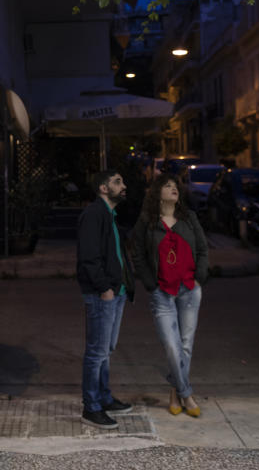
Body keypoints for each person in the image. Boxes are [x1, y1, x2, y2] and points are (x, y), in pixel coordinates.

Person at [130, 173, 209, 418]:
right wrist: (150, 283)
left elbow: (203, 249)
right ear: (157, 193)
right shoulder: (146, 221)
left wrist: (200, 276)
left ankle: (176, 392)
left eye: (175, 186)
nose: (173, 189)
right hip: (161, 291)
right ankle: (186, 393)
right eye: (167, 186)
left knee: (186, 344)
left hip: (189, 288)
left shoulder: (189, 218)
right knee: (172, 347)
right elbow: (137, 253)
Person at [76, 170, 135, 429]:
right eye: (117, 182)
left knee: (106, 351)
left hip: (116, 292)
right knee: (96, 352)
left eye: (123, 181)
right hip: (103, 294)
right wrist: (104, 288)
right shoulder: (93, 214)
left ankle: (104, 397)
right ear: (103, 188)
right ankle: (91, 407)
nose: (124, 185)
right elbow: (88, 256)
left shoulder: (110, 215)